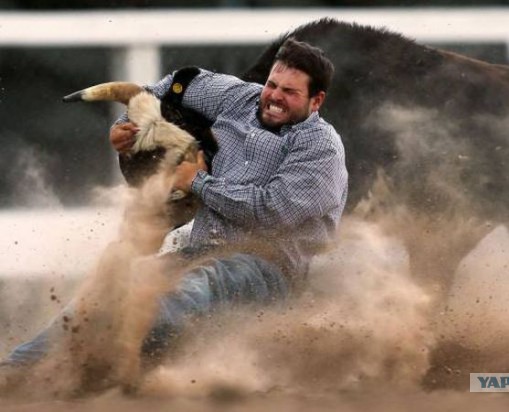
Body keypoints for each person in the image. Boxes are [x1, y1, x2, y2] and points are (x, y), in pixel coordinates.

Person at [1, 38, 348, 377]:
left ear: (316, 101)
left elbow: (273, 210)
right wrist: (125, 127)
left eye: (290, 92)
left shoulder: (321, 147)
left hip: (268, 269)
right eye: (272, 84)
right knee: (114, 285)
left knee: (191, 289)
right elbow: (175, 84)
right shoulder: (240, 98)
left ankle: (116, 361)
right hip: (202, 252)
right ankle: (19, 367)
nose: (274, 96)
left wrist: (197, 182)